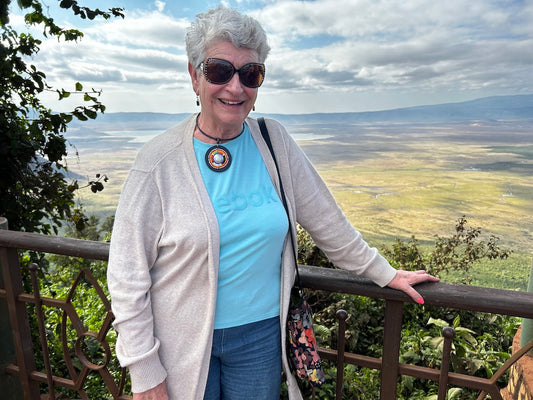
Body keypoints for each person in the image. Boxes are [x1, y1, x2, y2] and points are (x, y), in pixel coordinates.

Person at [107, 6, 439, 400]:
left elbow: (327, 220)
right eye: (219, 71)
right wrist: (145, 372)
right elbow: (128, 277)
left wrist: (384, 272)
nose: (235, 88)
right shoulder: (157, 163)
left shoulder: (274, 142)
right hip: (180, 340)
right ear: (194, 75)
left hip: (261, 338)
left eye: (251, 74)